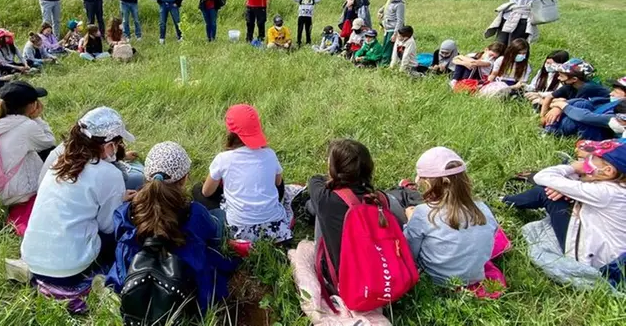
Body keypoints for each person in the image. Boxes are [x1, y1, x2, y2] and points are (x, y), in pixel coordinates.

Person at [107, 141, 236, 313]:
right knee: (219, 217)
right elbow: (210, 235)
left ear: (147, 177)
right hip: (185, 287)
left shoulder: (127, 211)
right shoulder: (195, 212)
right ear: (184, 179)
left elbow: (118, 237)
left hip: (134, 280)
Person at [21, 107, 134, 288]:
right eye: (118, 143)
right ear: (108, 145)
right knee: (127, 229)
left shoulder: (60, 163)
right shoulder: (109, 173)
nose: (119, 148)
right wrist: (121, 203)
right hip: (70, 268)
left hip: (32, 260)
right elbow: (109, 226)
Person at [503, 140, 626, 271]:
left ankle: (504, 202)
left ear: (608, 171)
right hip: (608, 250)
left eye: (591, 159)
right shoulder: (617, 188)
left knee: (545, 193)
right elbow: (578, 184)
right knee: (556, 191)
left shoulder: (606, 192)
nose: (585, 162)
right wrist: (564, 189)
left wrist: (573, 167)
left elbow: (542, 176)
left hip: (591, 256)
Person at [307, 139, 407, 295]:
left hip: (345, 287)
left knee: (320, 212)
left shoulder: (325, 199)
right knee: (391, 200)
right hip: (386, 282)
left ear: (333, 170)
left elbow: (314, 180)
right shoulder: (379, 199)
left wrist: (334, 182)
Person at [193, 104, 291, 243]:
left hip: (238, 227)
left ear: (230, 133)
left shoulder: (223, 159)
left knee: (198, 190)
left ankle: (231, 233)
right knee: (279, 182)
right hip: (275, 225)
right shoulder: (270, 154)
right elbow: (278, 184)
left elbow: (207, 192)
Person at [404, 147, 498, 286]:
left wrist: (410, 221)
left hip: (434, 280)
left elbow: (409, 252)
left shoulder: (423, 213)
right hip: (474, 277)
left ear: (428, 183)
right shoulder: (483, 208)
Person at [0, 81, 55, 205]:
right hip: (15, 194)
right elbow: (49, 141)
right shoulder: (26, 125)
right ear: (31, 106)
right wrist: (36, 117)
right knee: (52, 153)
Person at [544, 77, 626, 140]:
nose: (611, 93)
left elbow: (586, 117)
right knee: (582, 104)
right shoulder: (610, 102)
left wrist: (563, 106)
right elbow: (584, 101)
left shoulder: (622, 113)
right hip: (592, 126)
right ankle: (550, 127)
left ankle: (553, 131)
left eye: (616, 92)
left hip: (601, 137)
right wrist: (559, 107)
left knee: (583, 119)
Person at [539, 59, 610, 125]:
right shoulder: (569, 85)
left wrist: (558, 106)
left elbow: (575, 105)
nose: (558, 78)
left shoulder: (587, 88)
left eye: (561, 76)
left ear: (574, 79)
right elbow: (549, 97)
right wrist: (543, 116)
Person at [379, 0, 406, 65]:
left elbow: (400, 21)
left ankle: (385, 64)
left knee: (389, 49)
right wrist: (380, 12)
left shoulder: (400, 5)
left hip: (393, 29)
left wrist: (395, 34)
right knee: (385, 47)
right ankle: (383, 62)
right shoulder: (390, 2)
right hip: (386, 28)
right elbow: (383, 9)